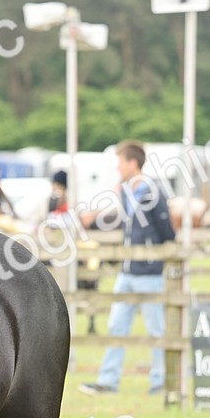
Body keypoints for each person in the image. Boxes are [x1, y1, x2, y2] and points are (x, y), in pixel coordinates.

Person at [79, 140, 176, 396]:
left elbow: (167, 232)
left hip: (149, 273)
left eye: (121, 163)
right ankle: (108, 380)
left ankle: (160, 382)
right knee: (116, 327)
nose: (118, 168)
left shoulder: (153, 193)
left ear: (133, 163)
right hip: (127, 271)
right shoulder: (125, 192)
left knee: (156, 329)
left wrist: (153, 255)